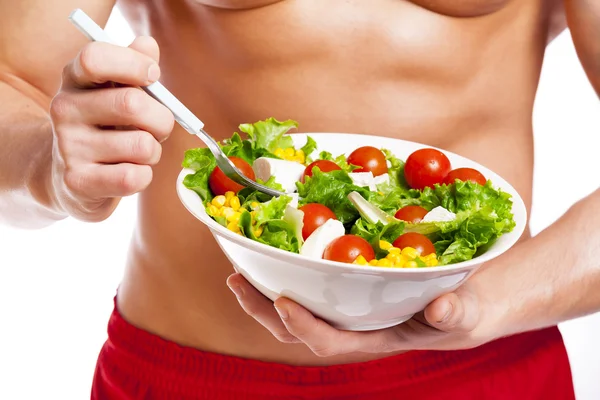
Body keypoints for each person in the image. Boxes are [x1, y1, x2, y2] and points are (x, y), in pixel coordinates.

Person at [1, 0, 598, 398]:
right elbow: (11, 81)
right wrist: (48, 168)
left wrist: (481, 309)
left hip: (487, 371)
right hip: (188, 377)